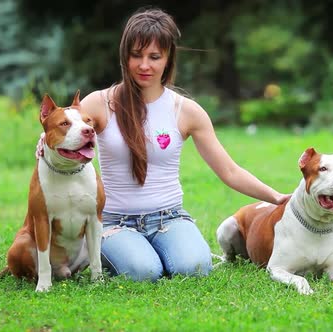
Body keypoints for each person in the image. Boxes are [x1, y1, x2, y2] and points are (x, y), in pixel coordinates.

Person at [67, 7, 289, 282]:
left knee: (195, 268)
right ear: (125, 56)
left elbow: (229, 171)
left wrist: (276, 197)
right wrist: (45, 147)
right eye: (136, 55)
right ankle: (125, 252)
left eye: (154, 57)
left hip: (169, 219)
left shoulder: (187, 111)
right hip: (115, 221)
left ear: (168, 57)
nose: (144, 65)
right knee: (142, 272)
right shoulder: (99, 104)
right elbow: (61, 131)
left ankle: (156, 251)